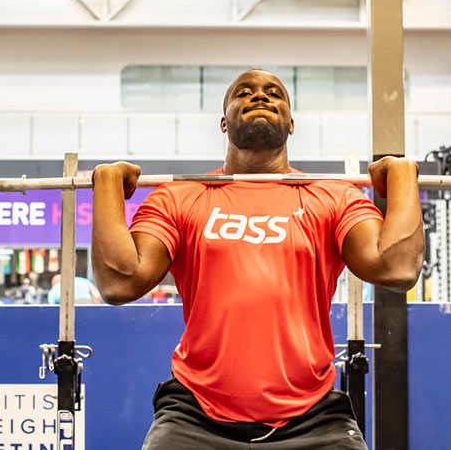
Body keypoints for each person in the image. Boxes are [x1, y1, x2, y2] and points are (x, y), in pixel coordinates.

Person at [91, 69, 424, 449]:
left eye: (273, 93)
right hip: (196, 416)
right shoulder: (179, 196)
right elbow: (120, 282)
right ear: (223, 121)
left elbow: (396, 267)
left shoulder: (332, 196)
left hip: (313, 419)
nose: (260, 97)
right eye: (244, 92)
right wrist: (106, 185)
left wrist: (402, 176)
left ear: (292, 123)